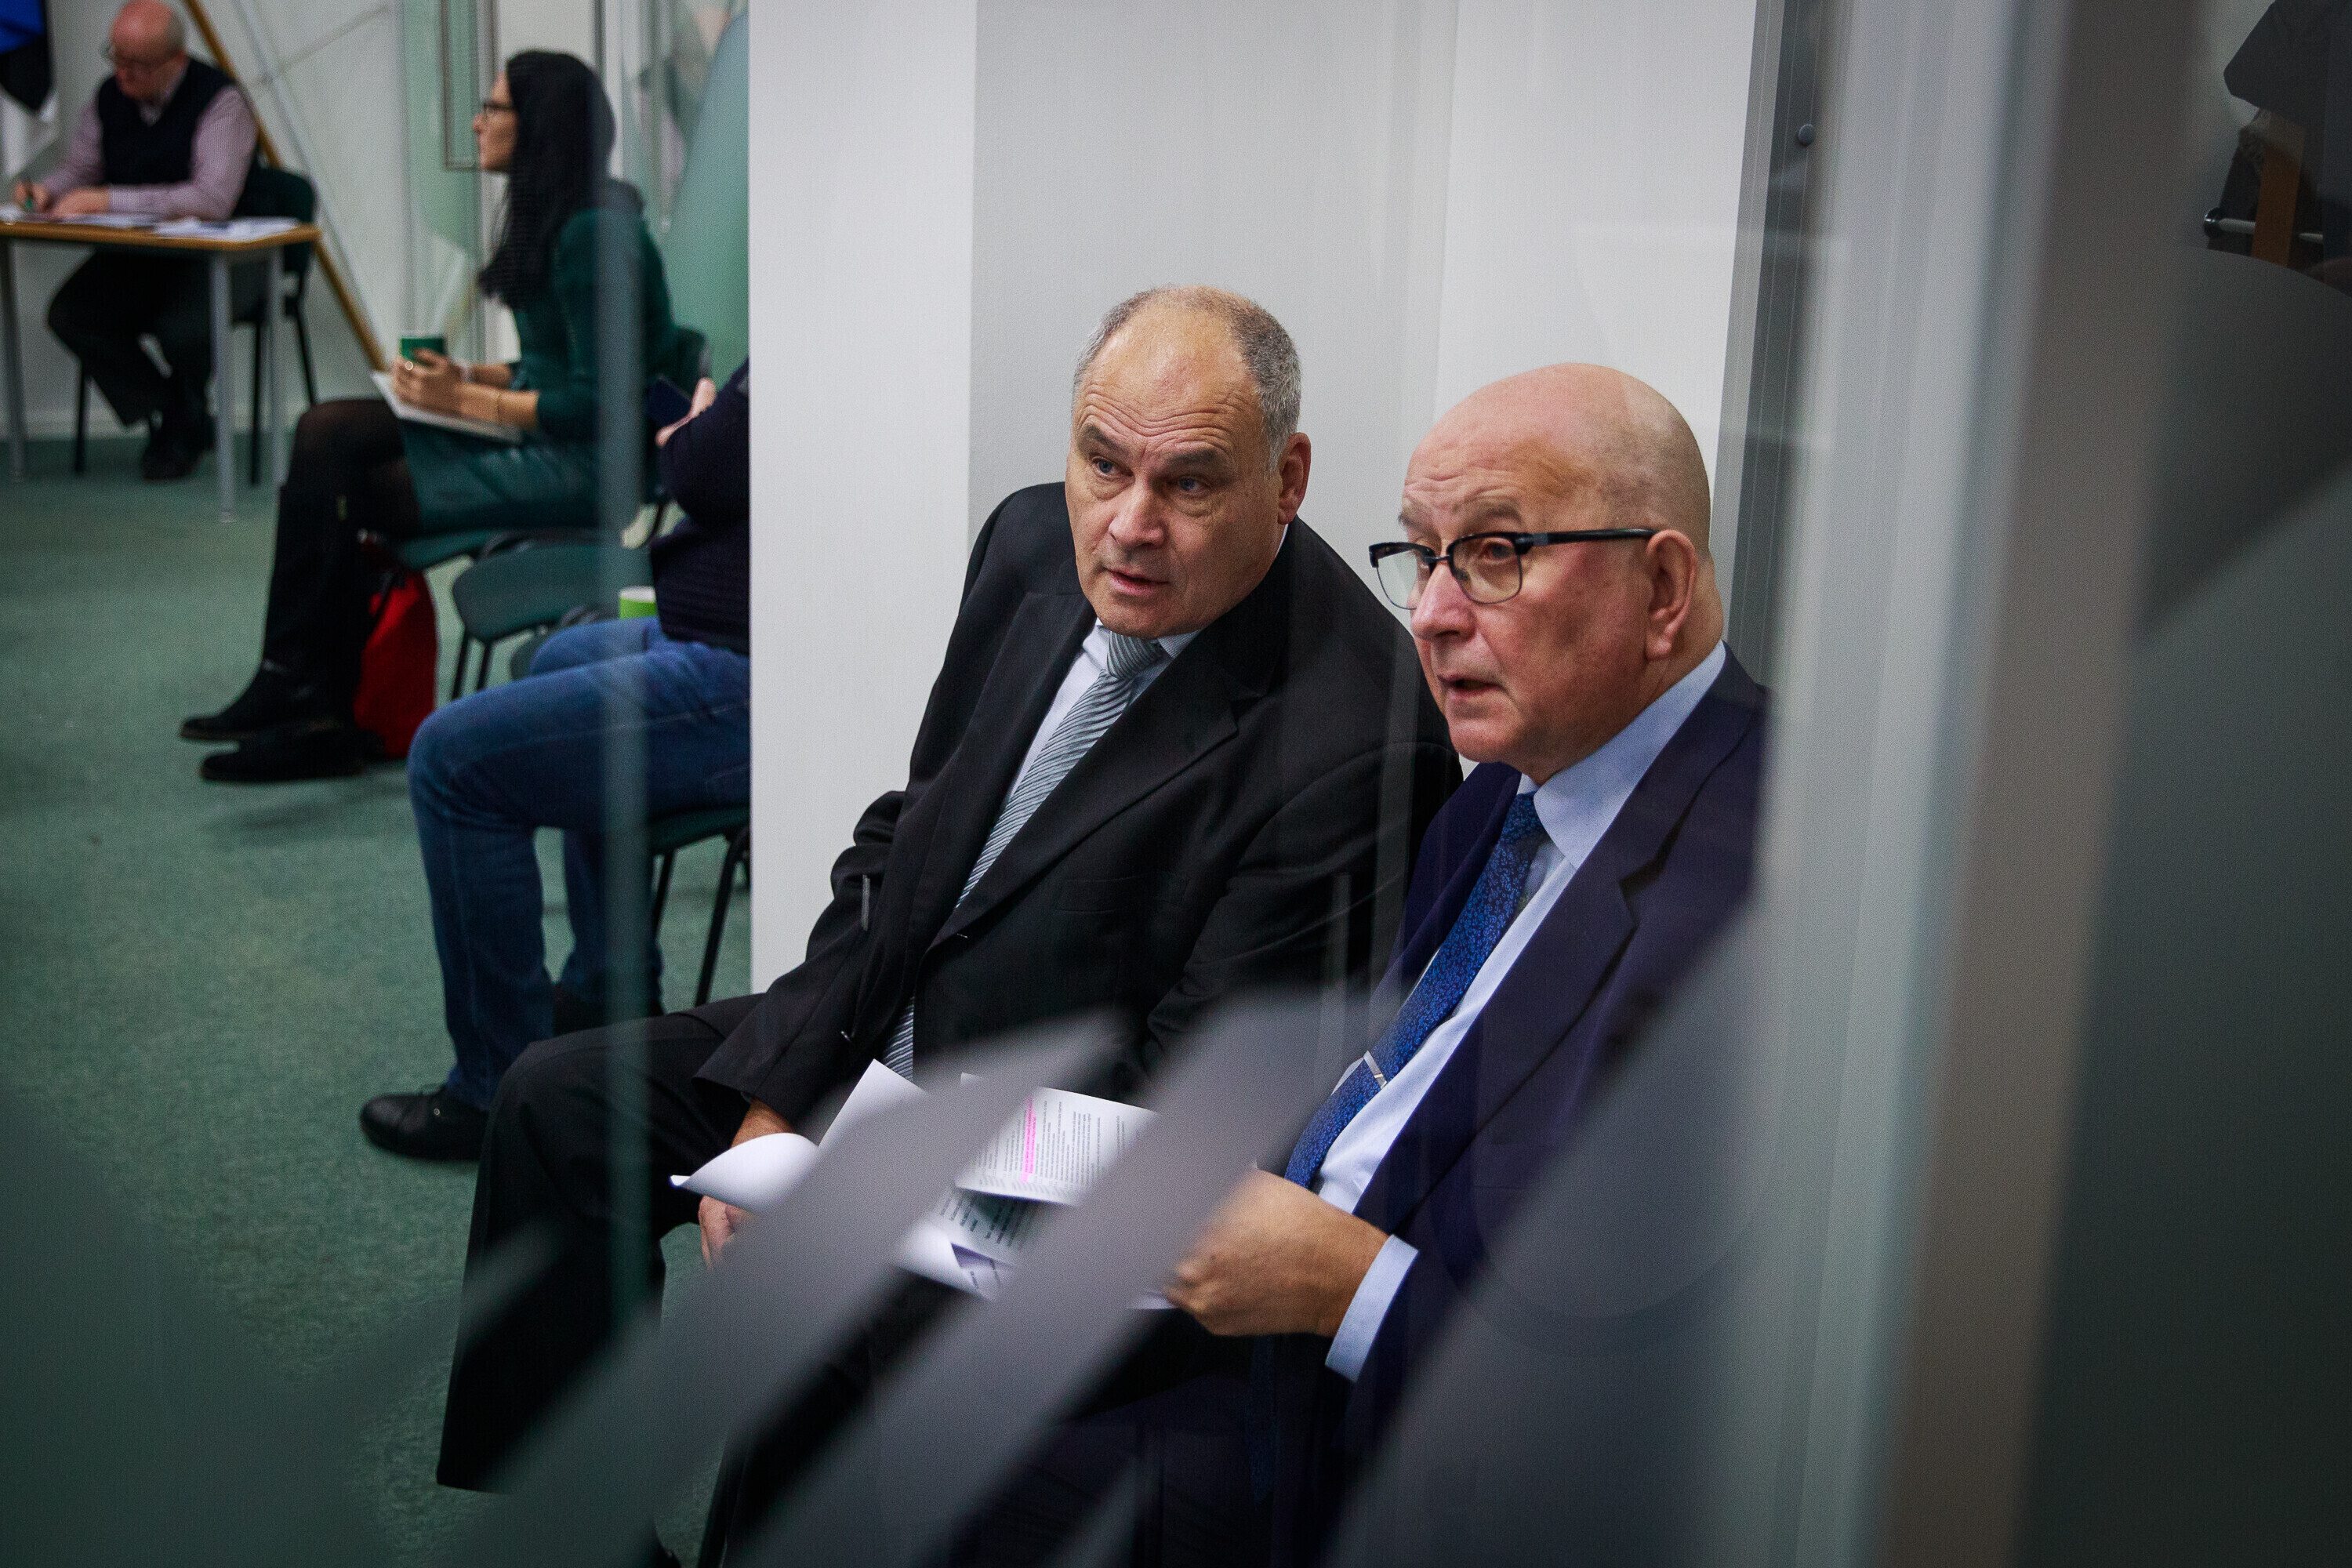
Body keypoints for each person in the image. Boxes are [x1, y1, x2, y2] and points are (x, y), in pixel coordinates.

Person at [433, 288, 1464, 1524]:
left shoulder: (1356, 735)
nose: (1130, 525)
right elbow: (906, 839)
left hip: (1050, 1129)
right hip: (891, 1026)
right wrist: (781, 1094)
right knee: (556, 1105)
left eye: (1189, 484)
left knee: (819, 1299)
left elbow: (1180, 1099)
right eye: (1103, 464)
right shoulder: (1029, 543)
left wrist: (850, 1180)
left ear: (1286, 480)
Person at [1159, 362, 1769, 1565]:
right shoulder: (1504, 788)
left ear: (1661, 589)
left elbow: (1673, 1397)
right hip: (1286, 1397)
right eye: (1423, 557)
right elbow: (1403, 1091)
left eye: (1495, 554)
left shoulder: (1759, 898)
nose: (1433, 614)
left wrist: (1348, 1286)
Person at [180, 50, 703, 783]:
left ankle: (307, 695)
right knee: (328, 434)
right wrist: (465, 377)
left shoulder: (596, 233)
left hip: (589, 468)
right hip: (555, 442)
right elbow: (554, 365)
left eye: (494, 109)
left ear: (539, 127)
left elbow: (595, 406)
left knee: (347, 482)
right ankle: (299, 688)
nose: (477, 123)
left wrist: (459, 401)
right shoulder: (561, 216)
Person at [359, 362, 752, 1162]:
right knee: (559, 658)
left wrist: (691, 434)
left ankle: (493, 1092)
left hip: (749, 672)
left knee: (449, 761)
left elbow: (697, 470)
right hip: (712, 624)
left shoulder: (827, 324)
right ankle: (611, 987)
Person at [13, 1, 260, 481]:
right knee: (73, 314)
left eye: (137, 64)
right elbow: (82, 169)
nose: (122, 73)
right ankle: (178, 412)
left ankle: (181, 423)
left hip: (223, 257)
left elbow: (211, 198)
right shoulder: (110, 96)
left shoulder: (221, 100)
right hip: (145, 253)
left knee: (183, 328)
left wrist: (106, 200)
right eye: (116, 57)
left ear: (175, 60)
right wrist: (48, 191)